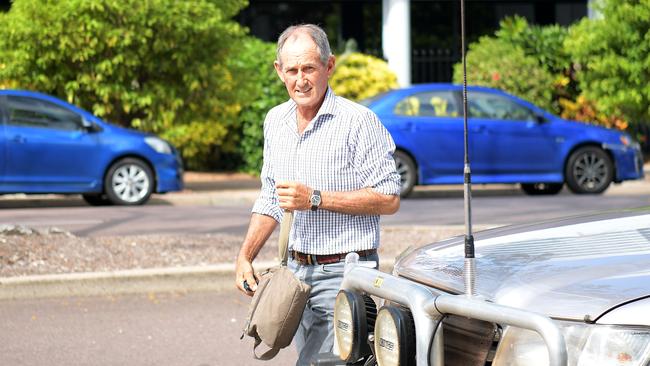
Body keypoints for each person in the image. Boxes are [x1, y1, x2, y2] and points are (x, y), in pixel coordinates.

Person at [235, 24, 401, 365]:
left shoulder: (359, 122)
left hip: (346, 274)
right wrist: (245, 257)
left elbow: (389, 198)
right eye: (292, 70)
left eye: (309, 68)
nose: (301, 80)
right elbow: (270, 197)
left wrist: (315, 198)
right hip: (293, 275)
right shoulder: (275, 121)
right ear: (279, 71)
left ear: (329, 66)